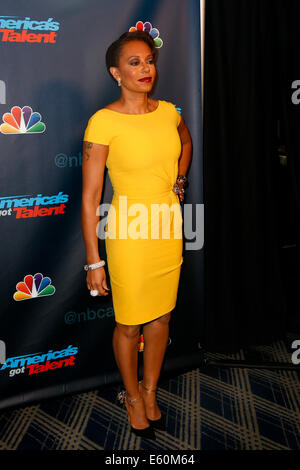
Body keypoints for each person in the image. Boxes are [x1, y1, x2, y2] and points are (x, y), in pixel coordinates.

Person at [81, 30, 192, 440]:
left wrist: (179, 180)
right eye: (134, 62)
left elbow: (185, 140)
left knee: (162, 316)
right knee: (129, 323)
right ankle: (130, 396)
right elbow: (91, 197)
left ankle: (150, 390)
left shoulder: (168, 112)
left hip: (167, 224)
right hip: (128, 228)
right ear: (116, 72)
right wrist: (94, 260)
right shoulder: (103, 121)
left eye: (149, 60)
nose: (145, 69)